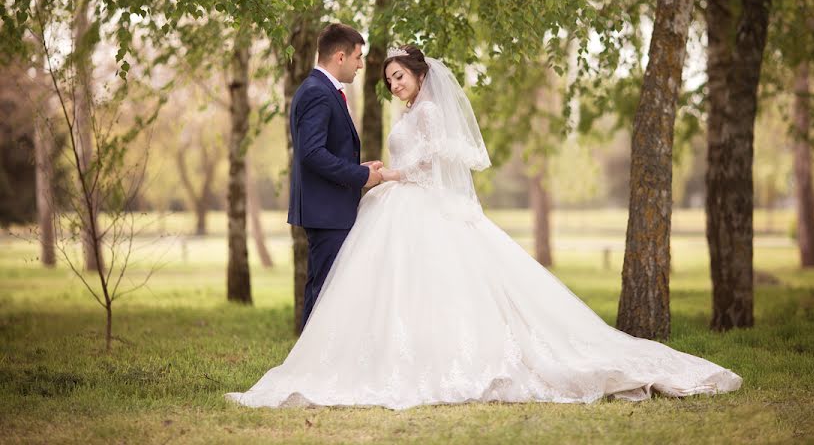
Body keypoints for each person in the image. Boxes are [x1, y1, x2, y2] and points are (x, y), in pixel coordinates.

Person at [227, 45, 742, 410]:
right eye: (388, 81)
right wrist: (383, 173)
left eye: (399, 77)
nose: (393, 85)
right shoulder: (412, 114)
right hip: (397, 200)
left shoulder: (428, 115)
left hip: (417, 203)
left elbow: (432, 167)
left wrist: (387, 173)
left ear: (420, 74)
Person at [286, 23, 383, 332]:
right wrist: (361, 176)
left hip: (326, 209)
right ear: (340, 57)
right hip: (326, 212)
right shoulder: (318, 93)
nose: (361, 65)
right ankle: (311, 367)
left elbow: (322, 149)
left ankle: (309, 364)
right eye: (358, 57)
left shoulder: (320, 90)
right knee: (327, 292)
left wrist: (360, 167)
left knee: (323, 289)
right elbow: (311, 153)